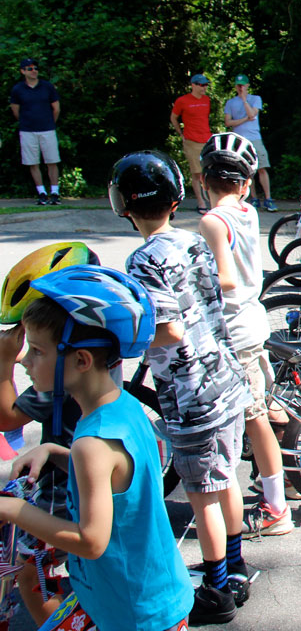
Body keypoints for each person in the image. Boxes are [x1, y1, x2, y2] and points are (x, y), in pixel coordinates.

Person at [0, 265, 193, 630]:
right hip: (142, 595)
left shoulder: (92, 443)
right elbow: (119, 475)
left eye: (37, 351)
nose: (25, 361)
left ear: (81, 360)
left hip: (134, 614)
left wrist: (11, 509)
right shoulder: (121, 407)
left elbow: (91, 542)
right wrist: (57, 453)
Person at [111, 149, 254, 622]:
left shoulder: (142, 259)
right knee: (226, 475)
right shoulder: (193, 241)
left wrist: (123, 336)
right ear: (175, 199)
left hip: (192, 393)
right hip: (226, 379)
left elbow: (168, 330)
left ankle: (216, 593)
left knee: (201, 494)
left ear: (124, 205)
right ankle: (235, 569)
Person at [197, 133, 293, 538]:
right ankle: (276, 483)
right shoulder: (247, 212)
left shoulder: (211, 220)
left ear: (203, 180)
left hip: (234, 328)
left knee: (254, 420)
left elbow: (225, 280)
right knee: (262, 410)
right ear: (247, 182)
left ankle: (276, 509)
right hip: (253, 320)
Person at [0, 242, 99, 625]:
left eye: (35, 347)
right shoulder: (92, 359)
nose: (27, 357)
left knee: (31, 573)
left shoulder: (60, 380)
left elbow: (6, 418)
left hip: (61, 488)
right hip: (64, 468)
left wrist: (5, 363)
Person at [9, 58, 62, 205]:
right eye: (30, 68)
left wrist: (49, 122)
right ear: (23, 71)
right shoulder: (18, 89)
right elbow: (15, 110)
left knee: (52, 161)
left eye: (35, 68)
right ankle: (42, 193)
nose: (34, 71)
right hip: (27, 131)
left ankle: (55, 193)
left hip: (47, 129)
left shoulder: (47, 87)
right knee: (33, 162)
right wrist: (26, 122)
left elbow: (56, 108)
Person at [222, 74, 276, 212]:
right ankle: (254, 198)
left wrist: (245, 100)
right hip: (239, 140)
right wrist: (246, 119)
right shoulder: (230, 102)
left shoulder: (255, 99)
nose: (240, 88)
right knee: (247, 171)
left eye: (243, 85)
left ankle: (268, 198)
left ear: (247, 85)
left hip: (255, 138)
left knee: (262, 168)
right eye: (238, 85)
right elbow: (228, 122)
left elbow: (253, 114)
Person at [171, 73, 215, 213]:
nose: (204, 87)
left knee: (209, 171)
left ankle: (212, 201)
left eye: (206, 85)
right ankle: (201, 203)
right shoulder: (182, 101)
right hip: (191, 141)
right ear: (193, 85)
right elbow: (173, 118)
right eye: (201, 85)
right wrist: (181, 133)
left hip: (207, 140)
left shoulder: (207, 100)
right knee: (196, 173)